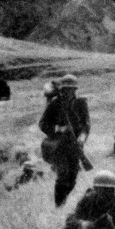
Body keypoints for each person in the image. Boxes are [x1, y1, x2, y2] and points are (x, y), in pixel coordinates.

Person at [38, 74, 92, 207]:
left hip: (75, 145)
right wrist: (58, 129)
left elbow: (86, 125)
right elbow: (43, 124)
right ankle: (59, 204)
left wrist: (81, 139)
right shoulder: (55, 103)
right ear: (62, 89)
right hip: (59, 145)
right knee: (63, 175)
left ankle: (63, 199)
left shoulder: (81, 103)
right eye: (66, 89)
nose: (68, 92)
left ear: (75, 90)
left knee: (72, 177)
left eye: (71, 89)